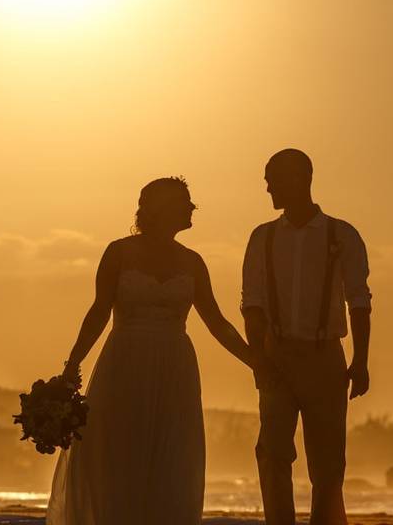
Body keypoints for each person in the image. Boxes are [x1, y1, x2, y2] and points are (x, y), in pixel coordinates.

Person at [46, 176, 253, 525]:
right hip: (124, 364)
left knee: (171, 460)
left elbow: (217, 323)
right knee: (120, 456)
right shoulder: (119, 252)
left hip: (175, 368)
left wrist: (256, 362)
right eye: (185, 202)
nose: (192, 208)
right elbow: (98, 312)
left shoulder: (193, 262)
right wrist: (73, 365)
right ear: (161, 209)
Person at [242, 149, 372, 525]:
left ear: (300, 179)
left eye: (273, 179)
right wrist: (260, 360)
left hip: (325, 355)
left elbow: (359, 300)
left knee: (328, 462)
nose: (267, 187)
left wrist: (360, 360)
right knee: (272, 452)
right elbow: (252, 305)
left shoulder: (342, 235)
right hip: (277, 354)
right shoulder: (262, 238)